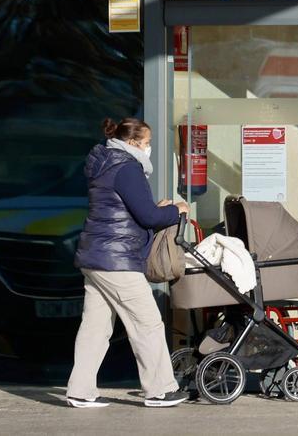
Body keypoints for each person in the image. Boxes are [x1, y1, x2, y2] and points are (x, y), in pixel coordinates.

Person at [65, 117, 190, 408]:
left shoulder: (105, 163)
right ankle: (160, 390)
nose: (148, 148)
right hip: (116, 260)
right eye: (146, 143)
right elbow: (147, 217)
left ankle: (80, 390)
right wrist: (178, 211)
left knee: (95, 328)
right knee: (146, 322)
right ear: (133, 143)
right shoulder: (126, 168)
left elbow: (130, 211)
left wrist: (159, 210)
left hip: (96, 256)